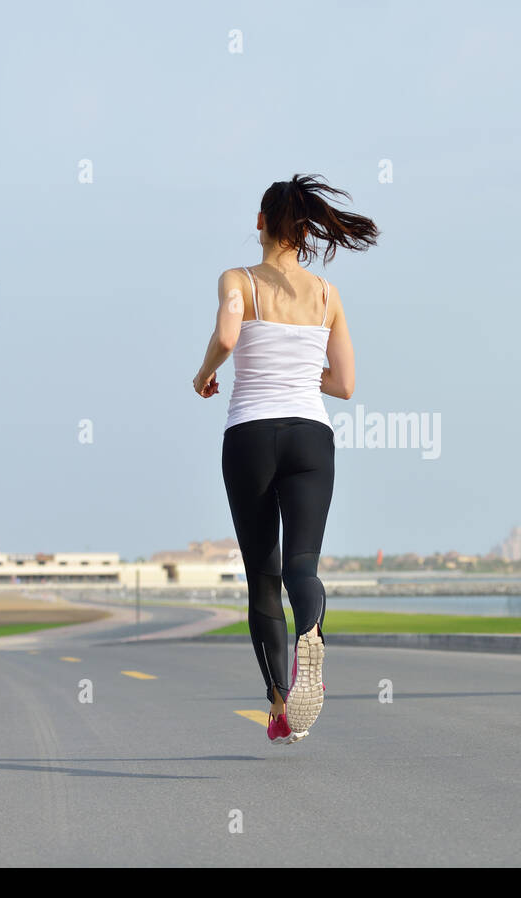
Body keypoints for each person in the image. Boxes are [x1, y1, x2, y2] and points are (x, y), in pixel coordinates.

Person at [192, 174, 379, 744]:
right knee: (302, 566)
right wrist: (300, 369)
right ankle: (313, 632)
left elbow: (227, 337)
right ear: (305, 229)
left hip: (250, 435)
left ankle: (279, 704)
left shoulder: (238, 280)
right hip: (309, 436)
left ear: (260, 224)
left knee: (263, 578)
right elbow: (344, 384)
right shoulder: (326, 294)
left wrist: (204, 375)